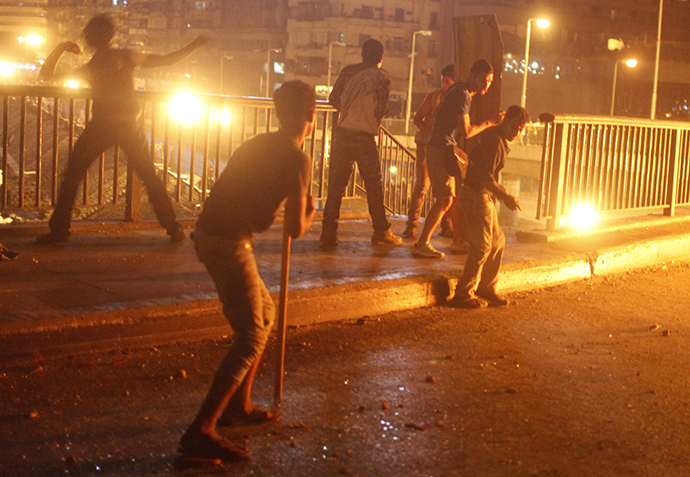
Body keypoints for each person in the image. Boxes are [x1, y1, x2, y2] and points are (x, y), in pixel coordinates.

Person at [179, 81, 316, 461]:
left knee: (266, 314)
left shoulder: (257, 143)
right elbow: (295, 228)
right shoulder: (297, 159)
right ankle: (201, 429)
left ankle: (239, 406)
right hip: (227, 242)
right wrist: (311, 208)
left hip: (214, 233)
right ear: (312, 117)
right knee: (252, 334)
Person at [36, 14, 208, 244]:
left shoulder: (93, 66)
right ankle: (173, 228)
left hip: (102, 125)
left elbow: (45, 75)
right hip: (129, 125)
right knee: (150, 178)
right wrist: (195, 44)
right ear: (111, 35)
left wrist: (60, 48)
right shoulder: (125, 56)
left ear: (90, 37)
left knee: (73, 176)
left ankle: (59, 231)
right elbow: (166, 60)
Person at [411, 59, 500, 259]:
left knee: (454, 196)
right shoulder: (462, 95)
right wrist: (490, 123)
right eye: (483, 80)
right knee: (445, 199)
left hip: (442, 147)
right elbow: (467, 132)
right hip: (440, 148)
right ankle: (422, 242)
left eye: (490, 81)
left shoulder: (458, 90)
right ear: (472, 77)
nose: (486, 85)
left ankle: (458, 240)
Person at [320, 38, 402, 249]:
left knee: (337, 184)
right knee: (373, 185)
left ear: (363, 54)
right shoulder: (381, 77)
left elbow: (333, 99)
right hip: (364, 136)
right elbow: (380, 109)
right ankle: (381, 231)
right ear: (380, 58)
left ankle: (328, 233)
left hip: (343, 132)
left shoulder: (348, 72)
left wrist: (349, 111)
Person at [449, 105, 529, 309]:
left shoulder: (496, 138)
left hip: (481, 196)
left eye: (521, 129)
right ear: (506, 122)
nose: (517, 133)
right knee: (482, 246)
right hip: (477, 196)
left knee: (497, 241)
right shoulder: (494, 142)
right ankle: (463, 293)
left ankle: (486, 287)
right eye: (515, 127)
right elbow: (485, 177)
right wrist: (506, 196)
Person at [401, 64, 455, 240]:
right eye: (444, 82)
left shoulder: (457, 100)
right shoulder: (434, 98)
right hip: (427, 145)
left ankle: (447, 226)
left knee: (446, 189)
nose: (445, 85)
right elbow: (418, 118)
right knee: (422, 185)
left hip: (446, 148)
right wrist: (430, 134)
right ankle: (412, 226)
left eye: (448, 82)